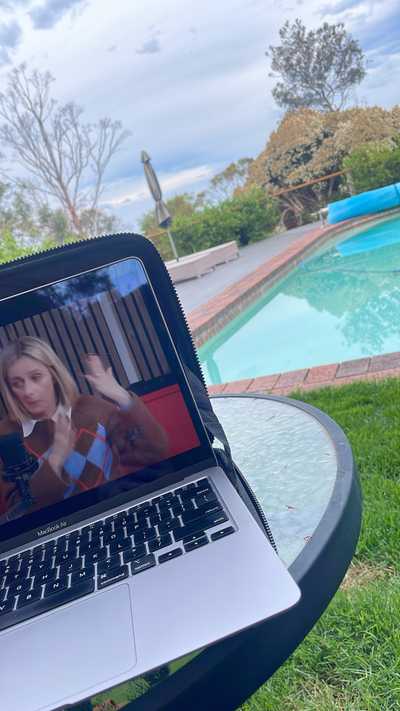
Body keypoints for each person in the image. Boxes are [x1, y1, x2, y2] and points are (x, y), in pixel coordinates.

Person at [0, 336, 168, 522]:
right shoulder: (6, 436)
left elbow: (154, 452)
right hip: (57, 533)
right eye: (17, 383)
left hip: (116, 515)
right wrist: (55, 459)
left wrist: (122, 397)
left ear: (53, 375)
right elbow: (18, 512)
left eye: (36, 377)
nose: (28, 391)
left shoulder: (91, 408)